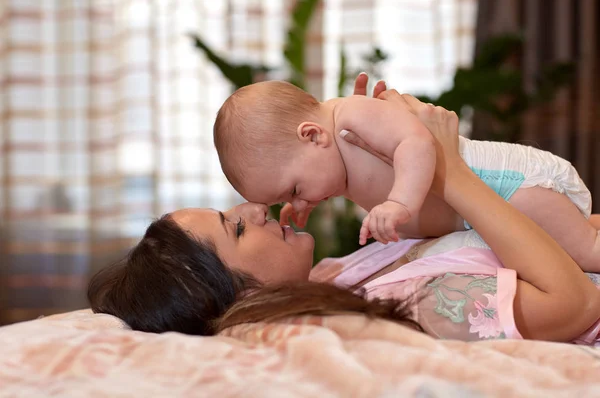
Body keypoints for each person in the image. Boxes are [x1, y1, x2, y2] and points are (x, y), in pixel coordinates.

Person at [88, 79, 600, 344]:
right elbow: (576, 304)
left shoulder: (338, 275)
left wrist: (370, 164)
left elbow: (468, 240)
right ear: (245, 292)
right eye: (237, 227)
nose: (261, 211)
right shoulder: (398, 310)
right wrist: (452, 175)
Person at [212, 75, 600, 272]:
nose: (296, 201)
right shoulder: (330, 159)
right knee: (581, 238)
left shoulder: (352, 116)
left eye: (294, 189)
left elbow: (417, 143)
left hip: (509, 187)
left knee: (585, 252)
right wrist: (307, 201)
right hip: (483, 209)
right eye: (286, 200)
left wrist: (400, 201)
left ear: (312, 136)